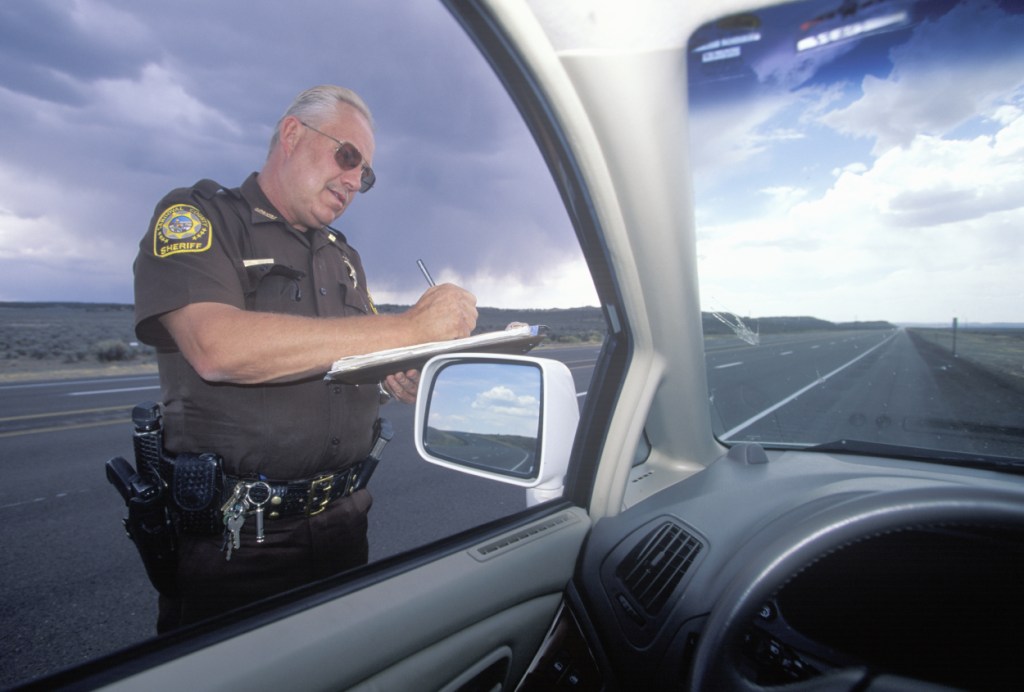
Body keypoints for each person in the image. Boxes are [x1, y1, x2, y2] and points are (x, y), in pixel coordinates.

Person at [132, 85, 478, 631]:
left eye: (364, 175)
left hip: (345, 523)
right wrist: (409, 326)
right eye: (347, 157)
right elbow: (216, 348)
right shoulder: (202, 218)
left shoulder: (344, 257)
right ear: (293, 134)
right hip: (238, 542)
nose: (353, 182)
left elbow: (354, 357)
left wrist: (397, 374)